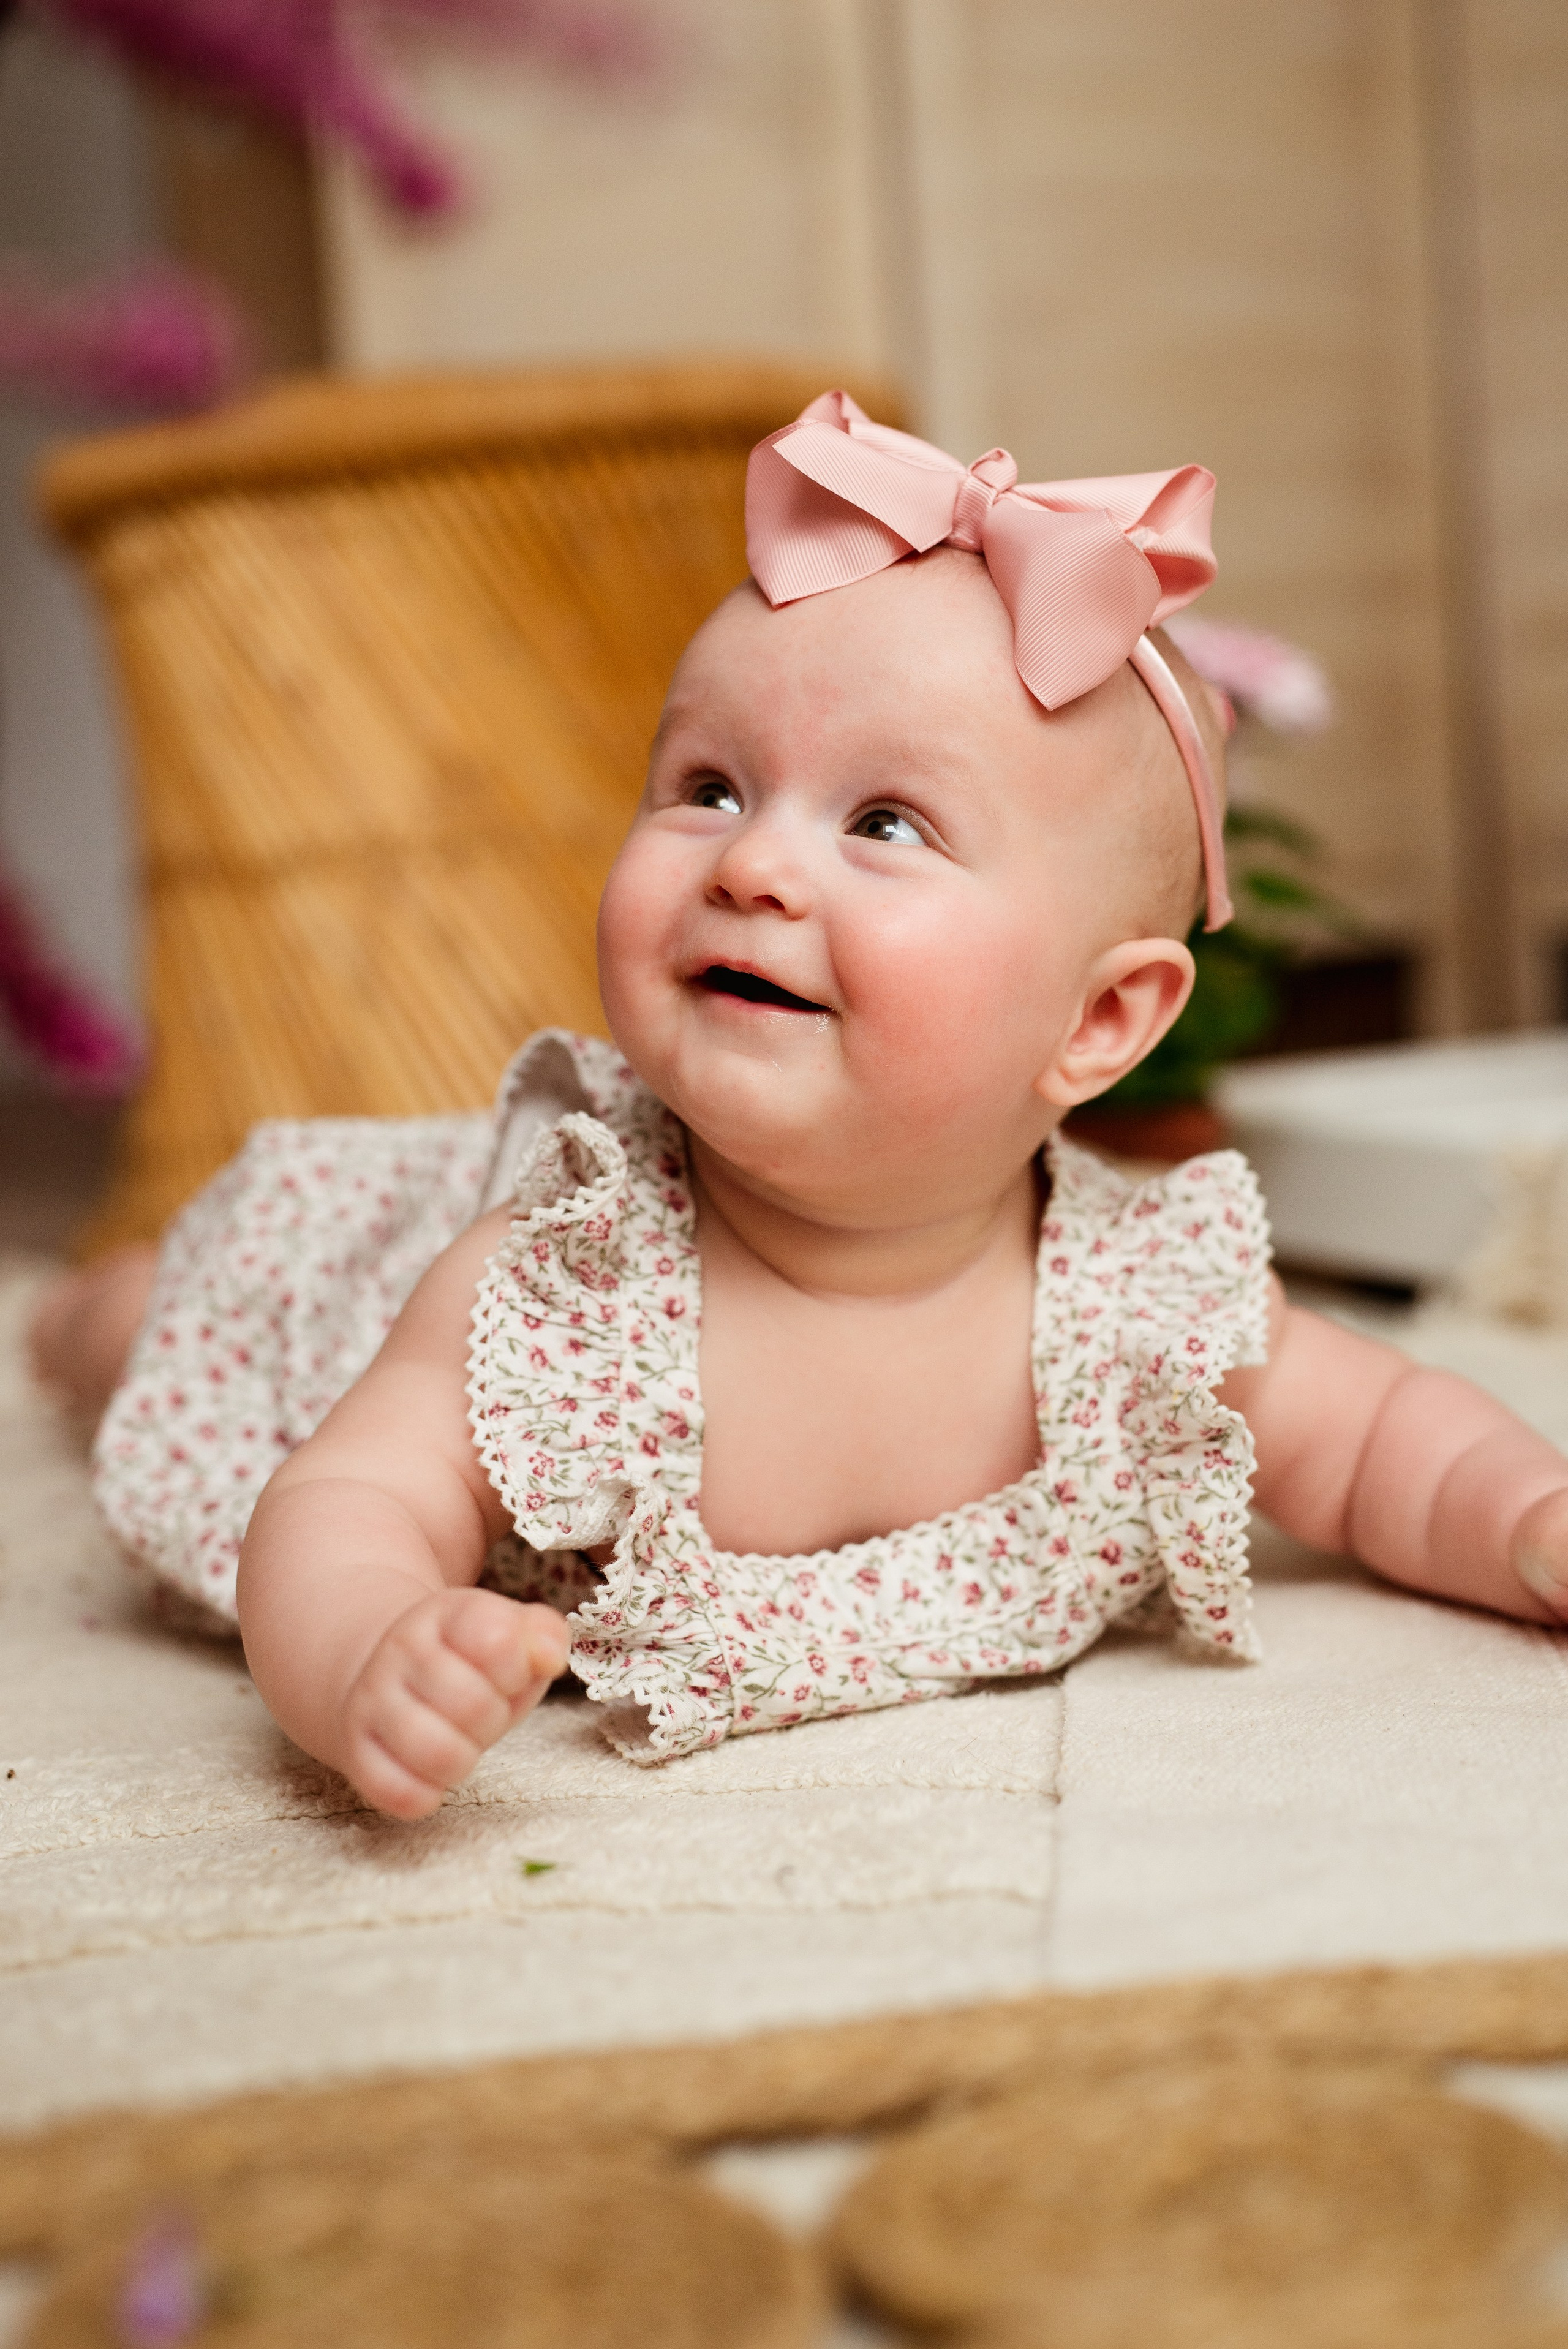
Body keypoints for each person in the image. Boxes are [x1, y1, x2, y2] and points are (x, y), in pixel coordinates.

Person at [32, 392, 1568, 1824]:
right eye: (705, 784)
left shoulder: (1135, 1308)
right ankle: (75, 1317)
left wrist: (1520, 1517)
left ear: (1098, 1021)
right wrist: (367, 1645)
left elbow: (1379, 1444)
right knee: (152, 1331)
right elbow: (344, 1495)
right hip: (325, 1304)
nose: (749, 864)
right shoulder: (557, 1284)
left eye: (884, 822)